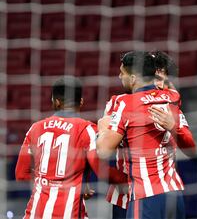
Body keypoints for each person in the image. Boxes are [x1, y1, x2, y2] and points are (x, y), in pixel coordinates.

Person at [96, 51, 196, 219]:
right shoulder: (172, 99)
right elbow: (192, 149)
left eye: (164, 79)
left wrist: (103, 128)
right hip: (133, 192)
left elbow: (102, 151)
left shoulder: (123, 104)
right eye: (158, 77)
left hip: (143, 192)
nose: (160, 83)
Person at [15, 76, 127, 219]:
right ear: (81, 102)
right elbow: (101, 171)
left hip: (35, 213)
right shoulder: (86, 129)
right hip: (69, 213)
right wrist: (128, 179)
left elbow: (20, 174)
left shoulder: (35, 128)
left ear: (55, 101)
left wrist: (46, 184)